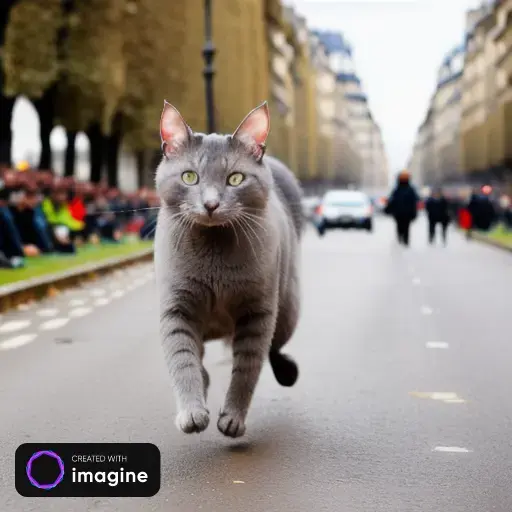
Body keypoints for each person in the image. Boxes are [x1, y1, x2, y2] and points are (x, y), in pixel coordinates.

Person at [385, 170, 419, 246]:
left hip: (406, 214)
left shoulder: (410, 189)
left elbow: (415, 202)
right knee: (400, 227)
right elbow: (392, 201)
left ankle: (405, 241)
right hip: (399, 213)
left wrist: (414, 213)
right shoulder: (398, 189)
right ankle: (401, 239)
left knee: (406, 227)